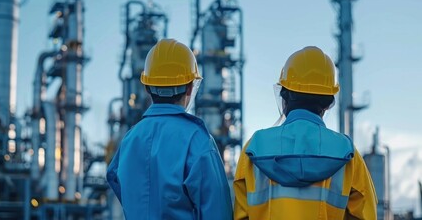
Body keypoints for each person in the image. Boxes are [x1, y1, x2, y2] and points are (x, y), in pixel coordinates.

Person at [233, 46, 377, 220]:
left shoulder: (254, 148)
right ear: (327, 103)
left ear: (285, 98)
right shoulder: (348, 154)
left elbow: (239, 215)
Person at [107, 39, 233, 219]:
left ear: (147, 87)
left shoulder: (129, 139)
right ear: (190, 87)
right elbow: (217, 211)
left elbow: (114, 179)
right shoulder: (197, 139)